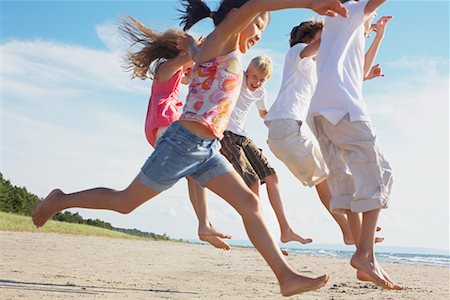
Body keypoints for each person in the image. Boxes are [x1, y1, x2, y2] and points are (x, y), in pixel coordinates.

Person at [32, 0, 348, 296]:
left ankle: (286, 277)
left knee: (250, 205)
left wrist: (193, 48)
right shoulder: (224, 39)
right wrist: (309, 3)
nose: (258, 35)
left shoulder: (215, 46)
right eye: (257, 27)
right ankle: (61, 200)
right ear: (239, 17)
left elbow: (198, 55)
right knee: (125, 202)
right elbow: (256, 4)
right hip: (183, 143)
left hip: (207, 148)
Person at [307, 0, 402, 290]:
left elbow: (361, 70)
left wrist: (378, 34)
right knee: (379, 175)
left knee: (346, 182)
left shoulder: (338, 25)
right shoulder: (348, 9)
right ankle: (365, 256)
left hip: (322, 114)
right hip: (344, 110)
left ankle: (365, 258)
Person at [265, 19, 384, 246]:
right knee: (325, 178)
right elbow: (321, 46)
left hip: (292, 131)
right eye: (323, 36)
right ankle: (350, 230)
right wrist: (341, 27)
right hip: (286, 128)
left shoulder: (315, 70)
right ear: (309, 40)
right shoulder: (297, 53)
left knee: (336, 174)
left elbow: (352, 75)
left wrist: (373, 43)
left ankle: (354, 224)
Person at [119, 16, 231, 250]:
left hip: (163, 127)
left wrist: (197, 54)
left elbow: (192, 73)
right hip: (165, 124)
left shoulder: (178, 72)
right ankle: (204, 223)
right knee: (194, 168)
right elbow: (185, 62)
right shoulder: (166, 68)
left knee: (195, 171)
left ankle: (204, 224)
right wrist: (194, 49)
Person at [220, 55, 313, 247]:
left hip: (242, 136)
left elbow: (263, 114)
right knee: (252, 181)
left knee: (272, 176)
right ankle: (263, 237)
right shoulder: (238, 79)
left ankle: (285, 231)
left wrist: (282, 118)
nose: (256, 82)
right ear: (247, 72)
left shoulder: (260, 92)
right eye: (254, 77)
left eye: (262, 79)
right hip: (226, 135)